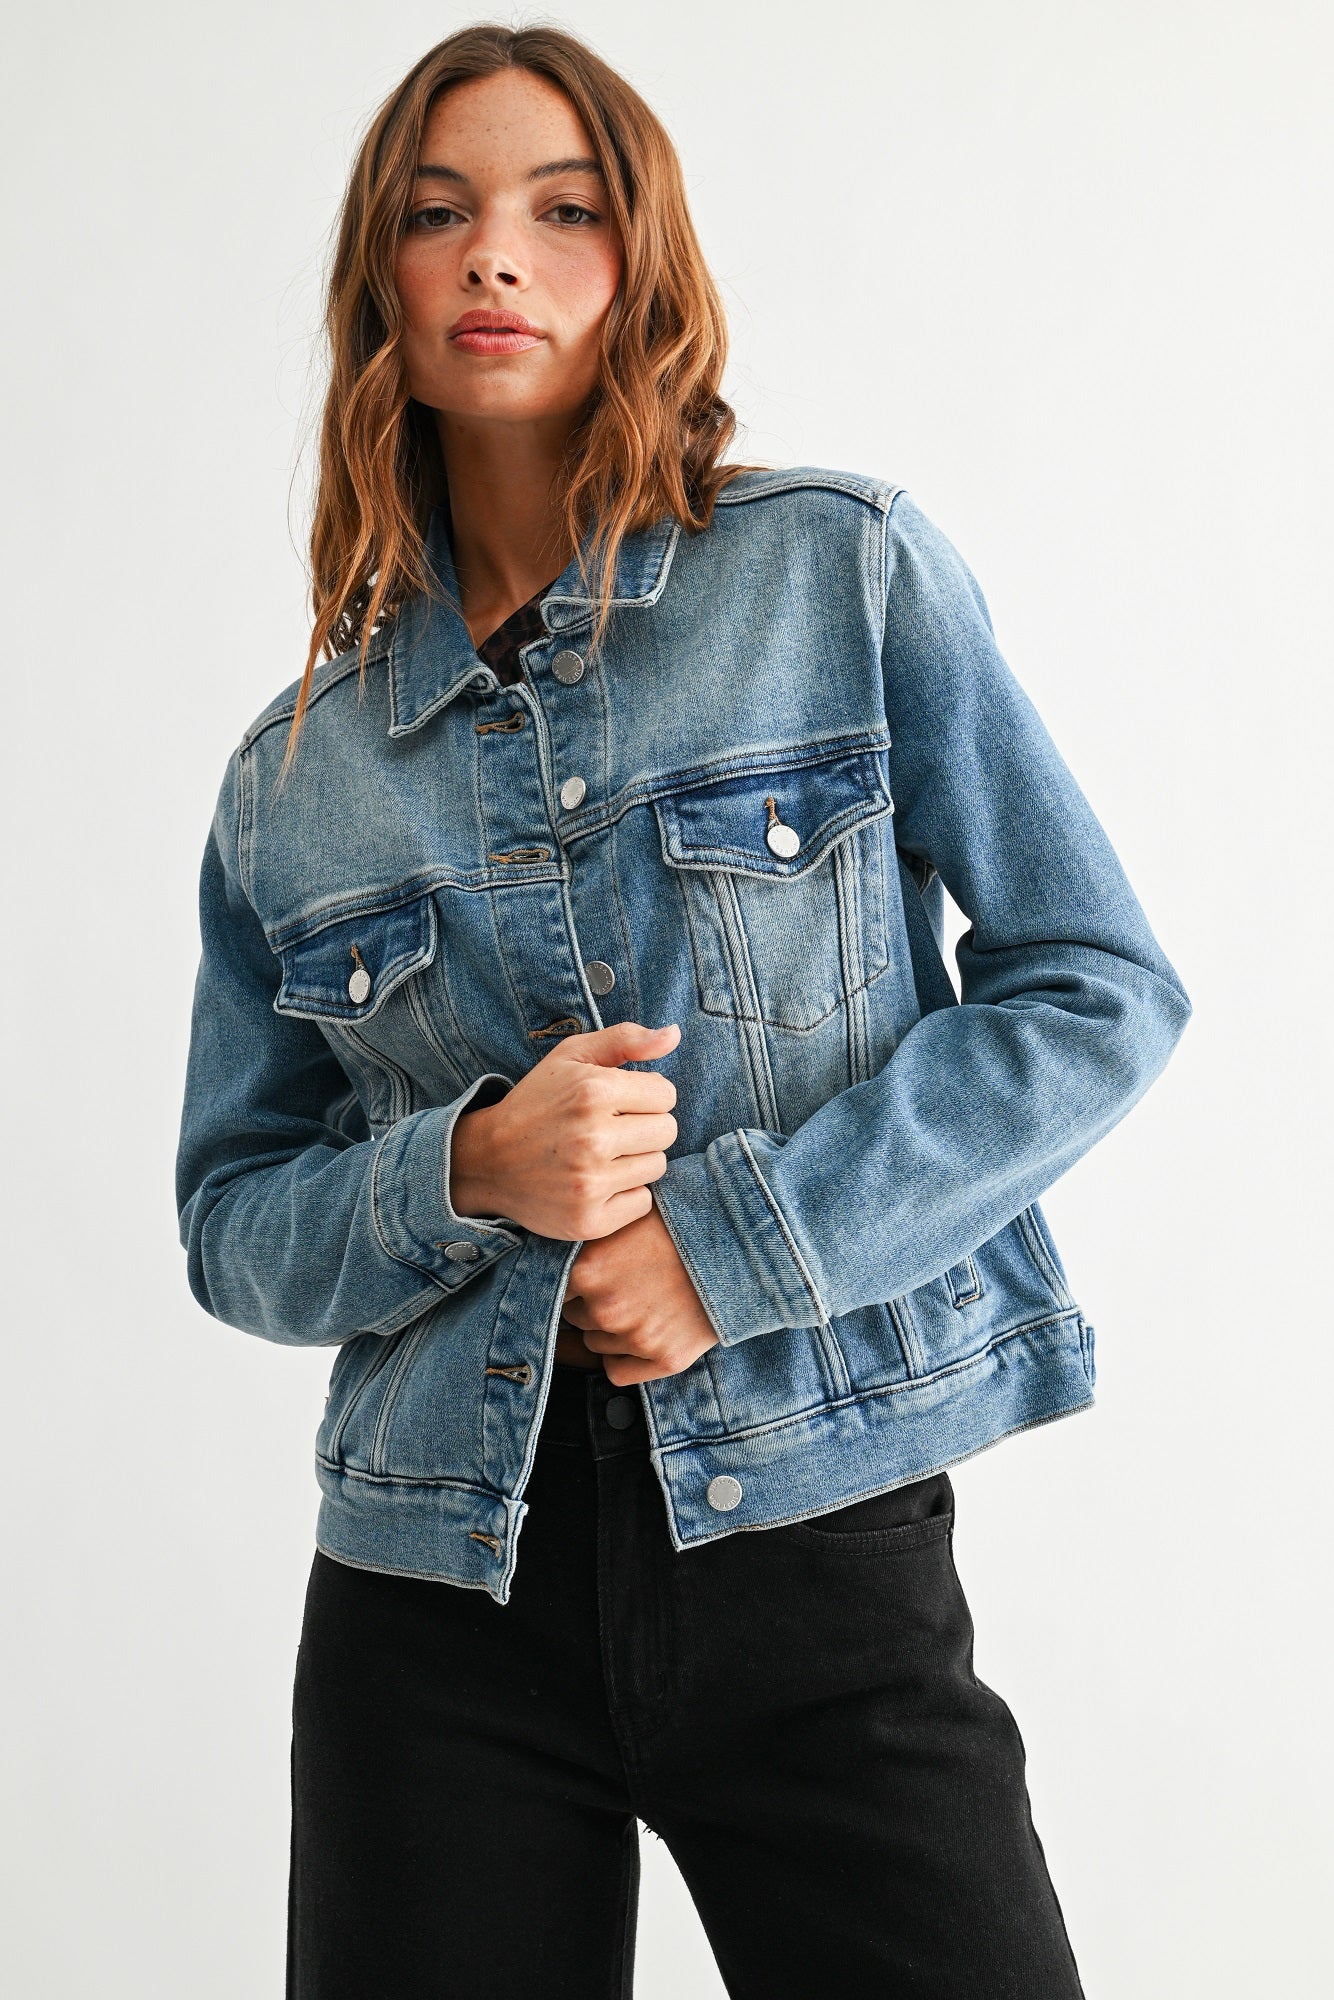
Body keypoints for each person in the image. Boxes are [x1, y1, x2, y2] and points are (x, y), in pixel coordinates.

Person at [175, 24, 1191, 1999]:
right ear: (378, 284)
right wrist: (463, 1167)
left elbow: (1096, 986)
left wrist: (734, 1247)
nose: (496, 258)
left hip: (812, 1543)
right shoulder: (287, 783)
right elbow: (234, 1217)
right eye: (438, 214)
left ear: (643, 270)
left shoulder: (838, 575)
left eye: (564, 212)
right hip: (429, 1595)